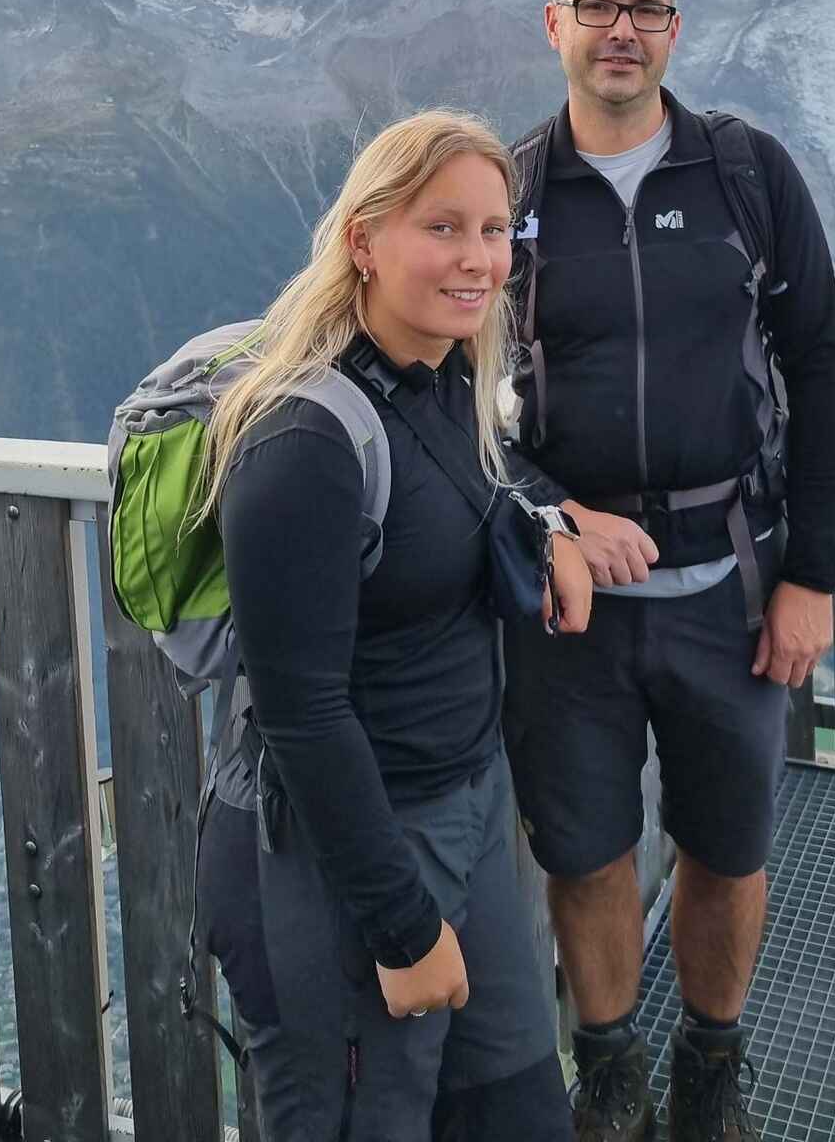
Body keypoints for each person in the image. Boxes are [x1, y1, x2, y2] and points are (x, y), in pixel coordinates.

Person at [504, 0, 835, 1142]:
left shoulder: (746, 174)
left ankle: (710, 1067)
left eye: (646, 8)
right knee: (586, 847)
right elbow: (460, 402)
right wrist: (556, 511)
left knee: (726, 846)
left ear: (675, 29)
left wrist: (811, 572)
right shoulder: (508, 193)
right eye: (596, 4)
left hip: (736, 587)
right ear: (555, 24)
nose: (622, 28)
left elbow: (818, 362)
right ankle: (610, 1072)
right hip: (571, 605)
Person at [193, 110, 591, 1142]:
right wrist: (405, 924)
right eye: (443, 226)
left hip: (463, 806)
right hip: (344, 861)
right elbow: (303, 711)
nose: (478, 258)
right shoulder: (302, 441)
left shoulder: (443, 375)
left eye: (497, 229)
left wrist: (549, 535)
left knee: (518, 1112)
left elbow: (458, 500)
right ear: (363, 239)